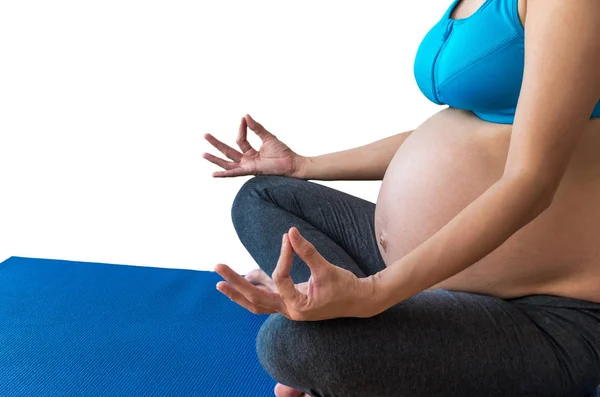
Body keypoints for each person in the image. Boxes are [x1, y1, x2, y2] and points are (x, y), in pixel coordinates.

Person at [203, 0, 600, 395]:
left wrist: (375, 294)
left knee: (289, 344)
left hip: (546, 314)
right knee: (264, 196)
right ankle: (345, 309)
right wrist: (302, 166)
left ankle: (353, 322)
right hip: (426, 273)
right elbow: (462, 134)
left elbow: (530, 182)